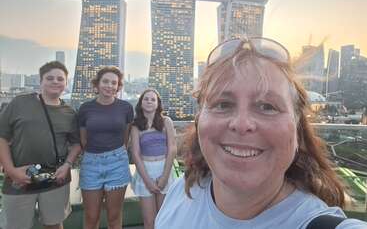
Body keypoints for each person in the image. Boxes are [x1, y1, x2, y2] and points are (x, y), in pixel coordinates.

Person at [155, 37, 367, 228]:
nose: (241, 123)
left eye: (267, 106)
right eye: (222, 104)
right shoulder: (182, 190)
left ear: (297, 130)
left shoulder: (316, 224)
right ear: (200, 119)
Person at [0, 61, 81, 229]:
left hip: (55, 178)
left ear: (66, 83)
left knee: (54, 224)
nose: (55, 81)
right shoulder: (19, 103)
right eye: (49, 78)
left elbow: (76, 143)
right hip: (19, 180)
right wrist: (11, 170)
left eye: (60, 78)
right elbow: (2, 137)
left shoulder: (70, 112)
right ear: (40, 81)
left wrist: (67, 165)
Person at [78, 66, 133, 229]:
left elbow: (126, 137)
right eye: (106, 81)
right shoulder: (85, 108)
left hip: (117, 162)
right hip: (91, 164)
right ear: (97, 84)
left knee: (114, 216)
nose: (109, 86)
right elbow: (83, 139)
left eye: (114, 83)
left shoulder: (126, 108)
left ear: (118, 86)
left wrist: (115, 152)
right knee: (91, 217)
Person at [130, 88, 176, 229]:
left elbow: (172, 148)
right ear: (141, 102)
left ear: (158, 104)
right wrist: (148, 181)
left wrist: (164, 177)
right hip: (145, 171)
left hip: (165, 169)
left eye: (153, 99)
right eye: (146, 99)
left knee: (164, 219)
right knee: (150, 221)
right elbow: (135, 154)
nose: (149, 101)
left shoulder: (166, 121)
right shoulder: (136, 126)